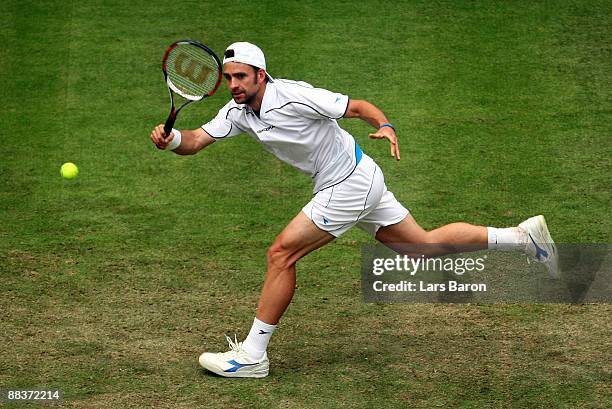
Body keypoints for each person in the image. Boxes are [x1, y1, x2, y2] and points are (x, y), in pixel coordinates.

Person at [150, 42, 559, 378]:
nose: (234, 85)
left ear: (261, 75)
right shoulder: (237, 112)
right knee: (424, 247)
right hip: (359, 178)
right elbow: (196, 140)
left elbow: (357, 106)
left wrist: (387, 125)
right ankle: (522, 238)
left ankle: (253, 356)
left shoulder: (293, 95)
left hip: (348, 184)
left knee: (281, 254)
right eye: (228, 78)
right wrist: (169, 141)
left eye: (241, 76)